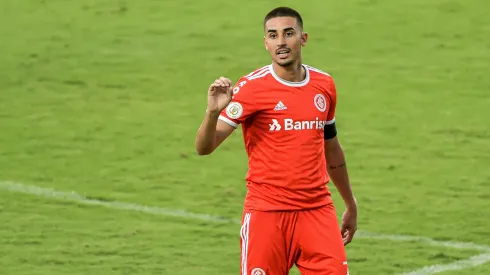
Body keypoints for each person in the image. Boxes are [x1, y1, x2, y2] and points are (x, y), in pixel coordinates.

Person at [195, 6, 357, 275]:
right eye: (273, 35)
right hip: (267, 215)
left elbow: (332, 148)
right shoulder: (251, 88)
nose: (281, 42)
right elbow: (204, 147)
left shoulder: (324, 85)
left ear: (303, 38)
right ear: (266, 43)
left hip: (317, 212)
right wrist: (212, 113)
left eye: (288, 33)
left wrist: (350, 202)